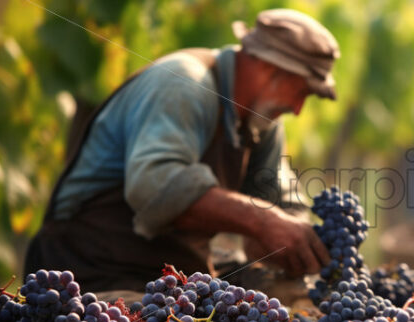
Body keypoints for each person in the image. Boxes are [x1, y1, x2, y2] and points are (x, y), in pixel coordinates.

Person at [24, 9, 336, 293]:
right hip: (88, 275)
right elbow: (158, 186)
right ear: (269, 68)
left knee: (291, 304)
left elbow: (281, 205)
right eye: (300, 92)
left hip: (170, 282)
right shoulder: (185, 83)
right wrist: (263, 222)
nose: (297, 109)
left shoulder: (261, 122)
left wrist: (297, 240)